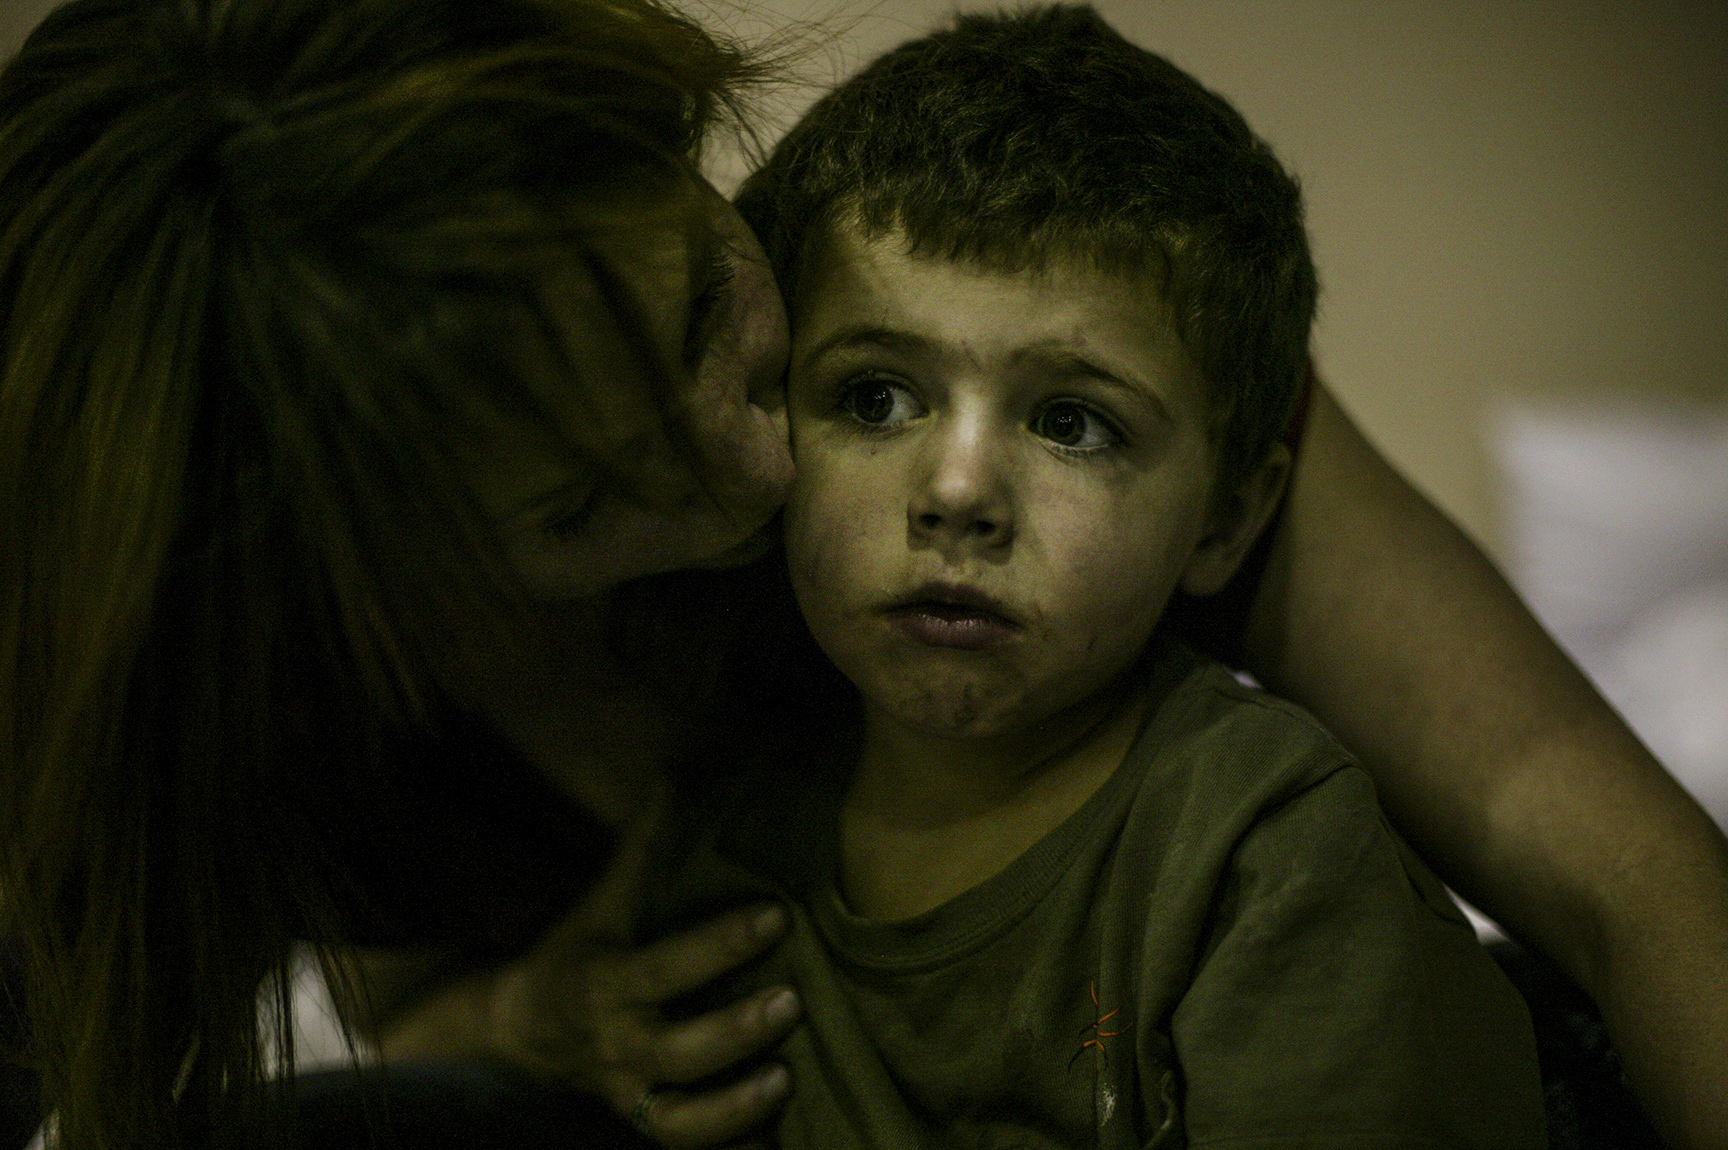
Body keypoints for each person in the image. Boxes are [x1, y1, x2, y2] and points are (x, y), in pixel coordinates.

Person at [0, 0, 1722, 1148]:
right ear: (373, 575)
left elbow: (1624, 879)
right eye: (589, 500)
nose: (764, 468)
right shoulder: (225, 701)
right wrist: (540, 1018)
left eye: (703, 318)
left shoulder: (1025, 342)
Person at [637, 9, 1546, 1144]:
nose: (958, 489)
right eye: (874, 397)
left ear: (1226, 519)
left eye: (1072, 421)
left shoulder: (1263, 849)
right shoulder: (720, 827)